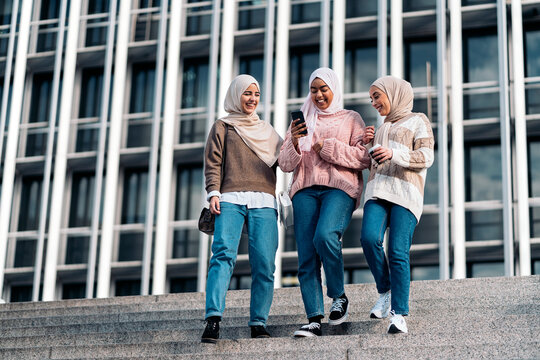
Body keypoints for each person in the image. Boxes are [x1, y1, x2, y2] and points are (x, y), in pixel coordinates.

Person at [278, 67, 371, 337]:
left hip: (339, 189)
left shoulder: (351, 119)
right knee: (306, 256)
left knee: (325, 235)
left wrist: (326, 147)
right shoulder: (302, 119)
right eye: (314, 90)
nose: (318, 95)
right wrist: (294, 142)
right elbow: (285, 165)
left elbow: (363, 158)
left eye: (323, 89)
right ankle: (314, 318)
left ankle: (338, 295)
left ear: (333, 89)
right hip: (304, 189)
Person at [201, 74, 283, 343]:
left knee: (264, 264)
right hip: (230, 198)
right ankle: (213, 320)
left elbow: (287, 159)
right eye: (247, 93)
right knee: (223, 256)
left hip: (264, 201)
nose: (252, 99)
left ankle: (258, 322)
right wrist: (213, 191)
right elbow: (213, 162)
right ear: (236, 95)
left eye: (256, 94)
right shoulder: (223, 127)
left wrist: (296, 139)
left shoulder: (268, 131)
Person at [360, 75, 434, 334]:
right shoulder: (380, 127)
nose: (373, 103)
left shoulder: (418, 120)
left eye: (377, 96)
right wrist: (366, 144)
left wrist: (394, 153)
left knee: (397, 251)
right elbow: (370, 161)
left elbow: (426, 156)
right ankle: (385, 291)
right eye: (371, 99)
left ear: (393, 93)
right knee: (369, 238)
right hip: (378, 191)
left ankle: (398, 314)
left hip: (405, 194)